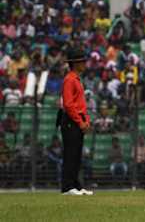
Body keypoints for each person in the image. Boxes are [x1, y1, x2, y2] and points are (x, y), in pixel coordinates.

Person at [59, 47, 92, 195]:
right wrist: (80, 121)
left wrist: (86, 121)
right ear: (75, 63)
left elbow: (80, 104)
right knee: (70, 154)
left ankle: (76, 185)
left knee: (77, 155)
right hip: (71, 121)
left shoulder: (76, 79)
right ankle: (67, 187)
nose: (85, 63)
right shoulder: (70, 79)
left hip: (77, 121)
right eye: (82, 61)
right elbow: (68, 104)